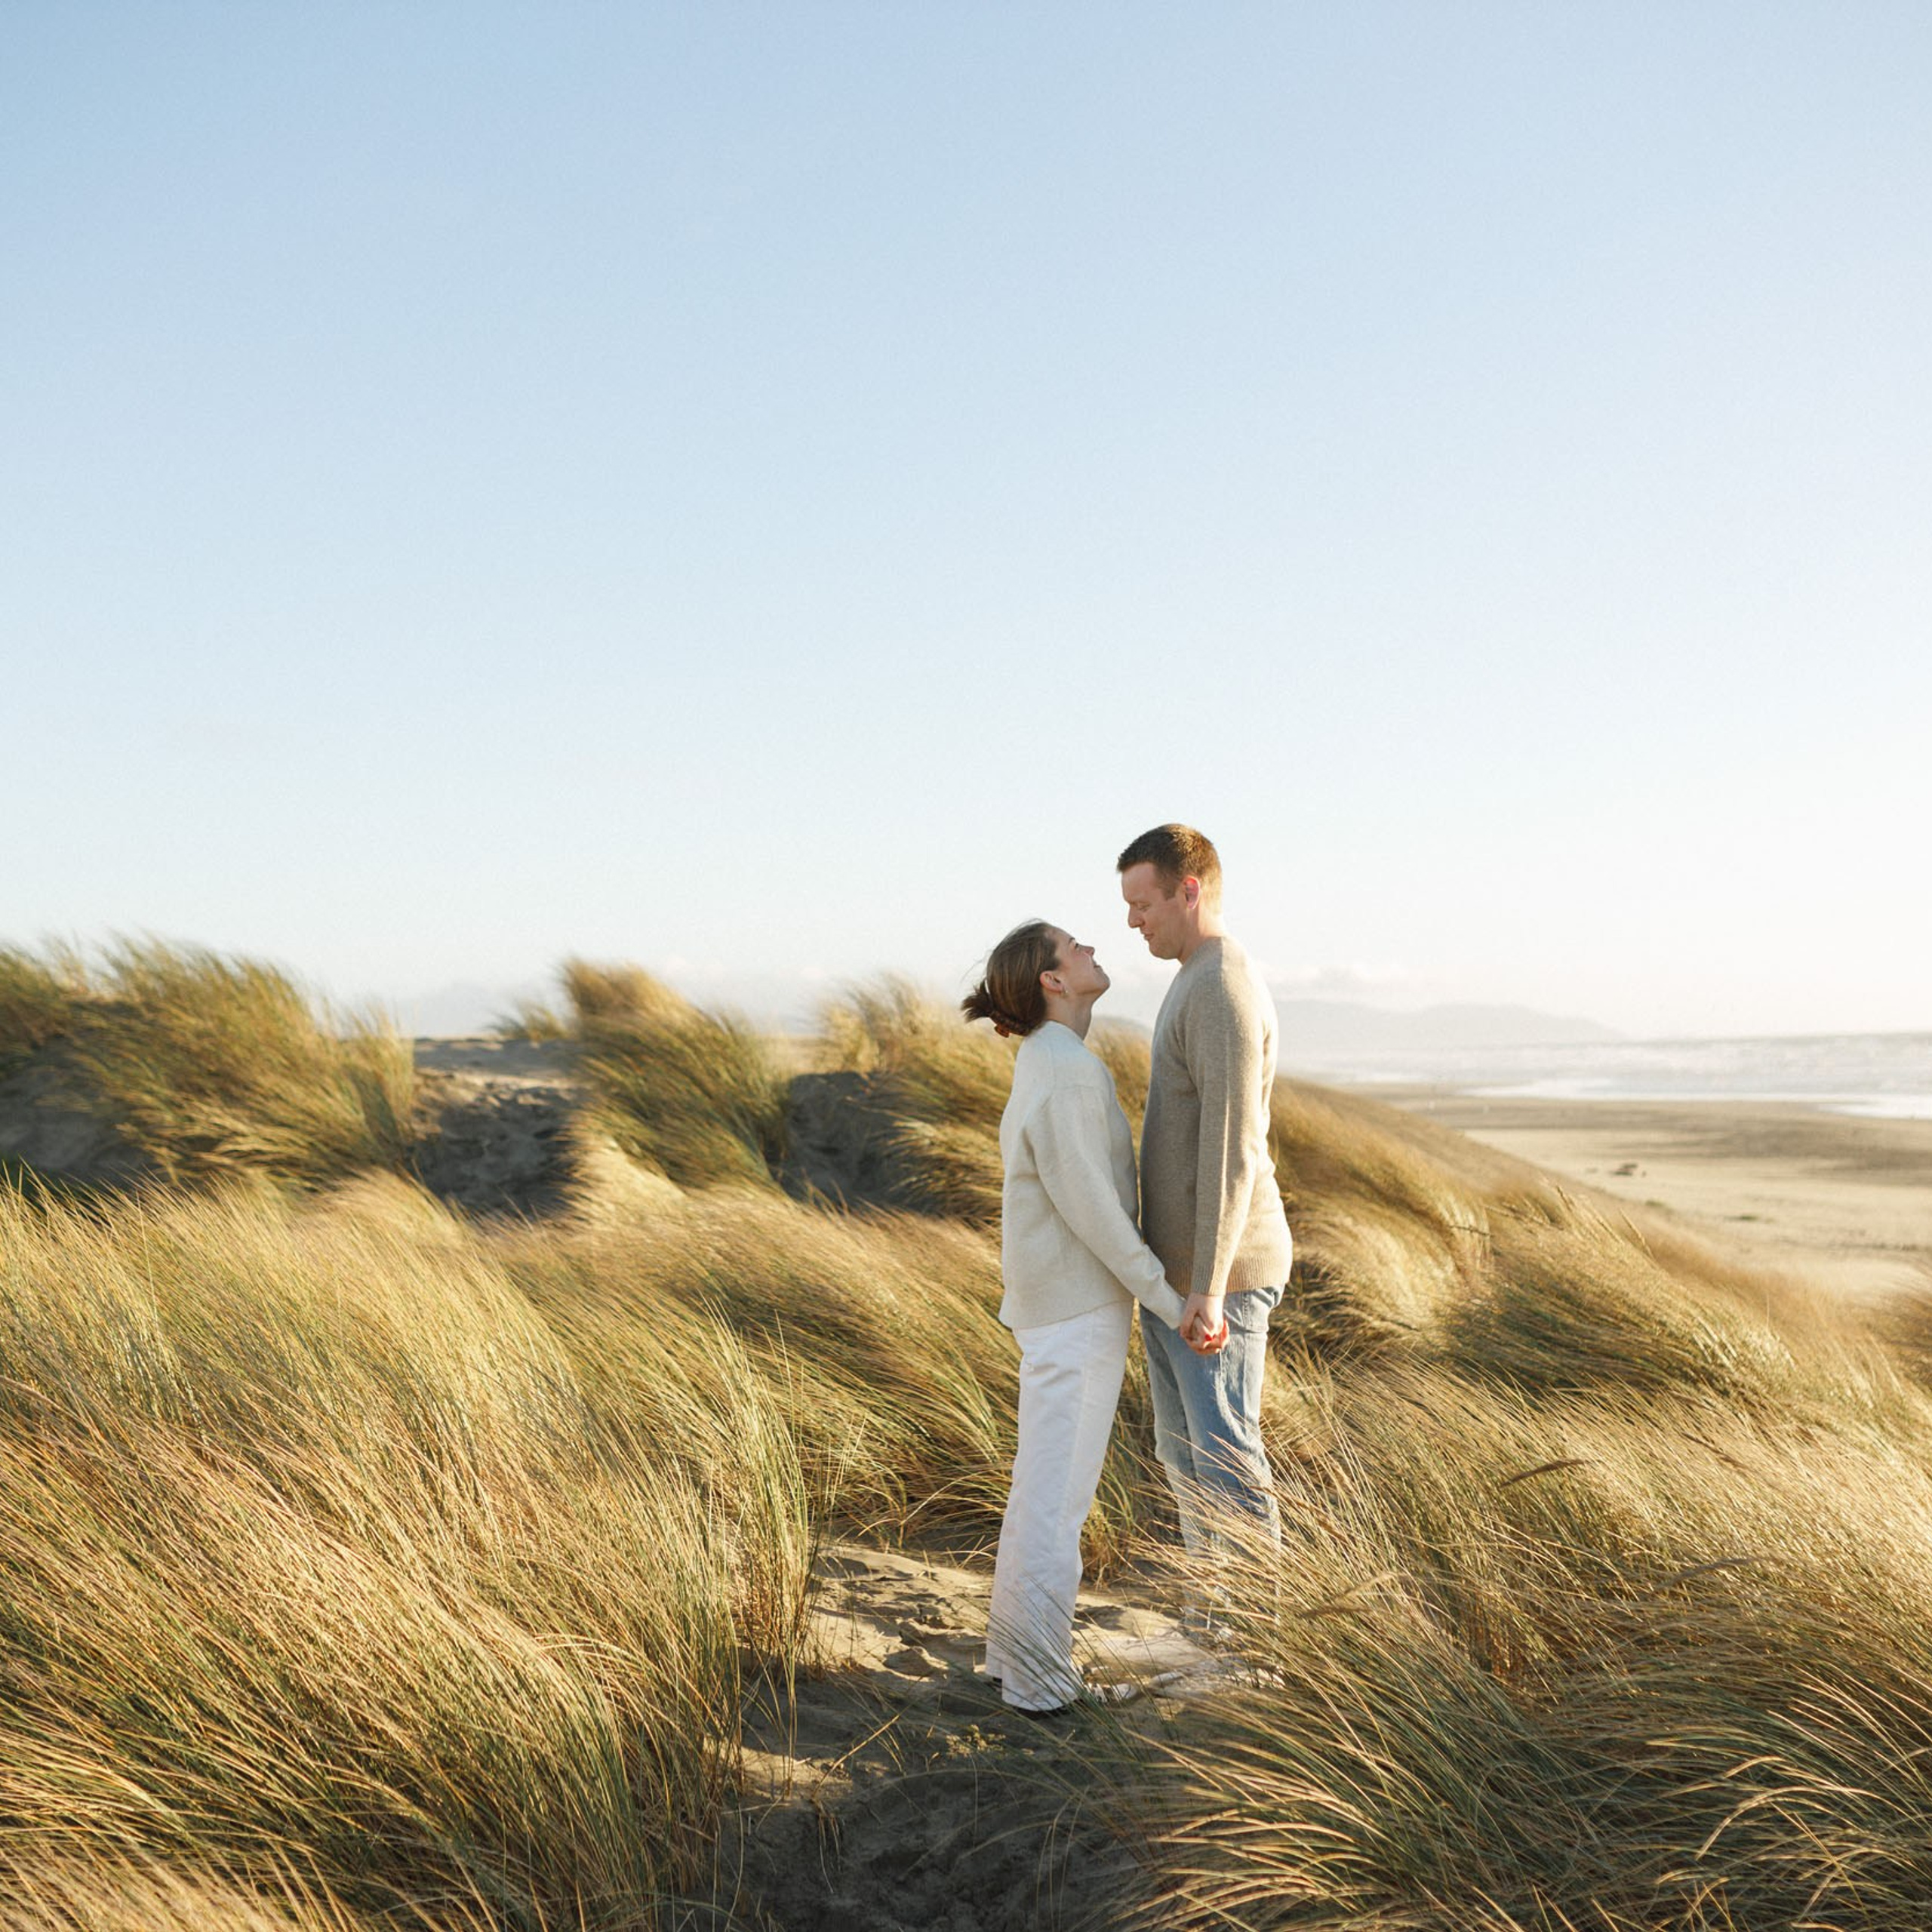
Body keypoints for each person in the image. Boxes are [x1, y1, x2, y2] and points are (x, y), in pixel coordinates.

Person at [962, 918, 1223, 1715]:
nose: (1092, 951)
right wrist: (1166, 1296)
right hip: (1076, 1311)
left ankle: (1013, 1663)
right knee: (1057, 1499)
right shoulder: (1065, 1069)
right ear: (1051, 980)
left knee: (1039, 1489)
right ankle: (1040, 1682)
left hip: (1059, 1308)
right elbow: (1093, 1209)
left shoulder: (1049, 1061)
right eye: (1075, 948)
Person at [1118, 824, 1294, 1577]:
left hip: (1220, 1275)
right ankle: (1212, 1629)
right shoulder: (1192, 974)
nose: (1132, 921)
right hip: (1181, 1274)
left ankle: (1259, 1653)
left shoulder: (1221, 986)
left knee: (1225, 1457)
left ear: (1188, 890)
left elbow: (1234, 1148)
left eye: (1142, 902)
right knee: (1185, 1457)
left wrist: (1210, 1288)